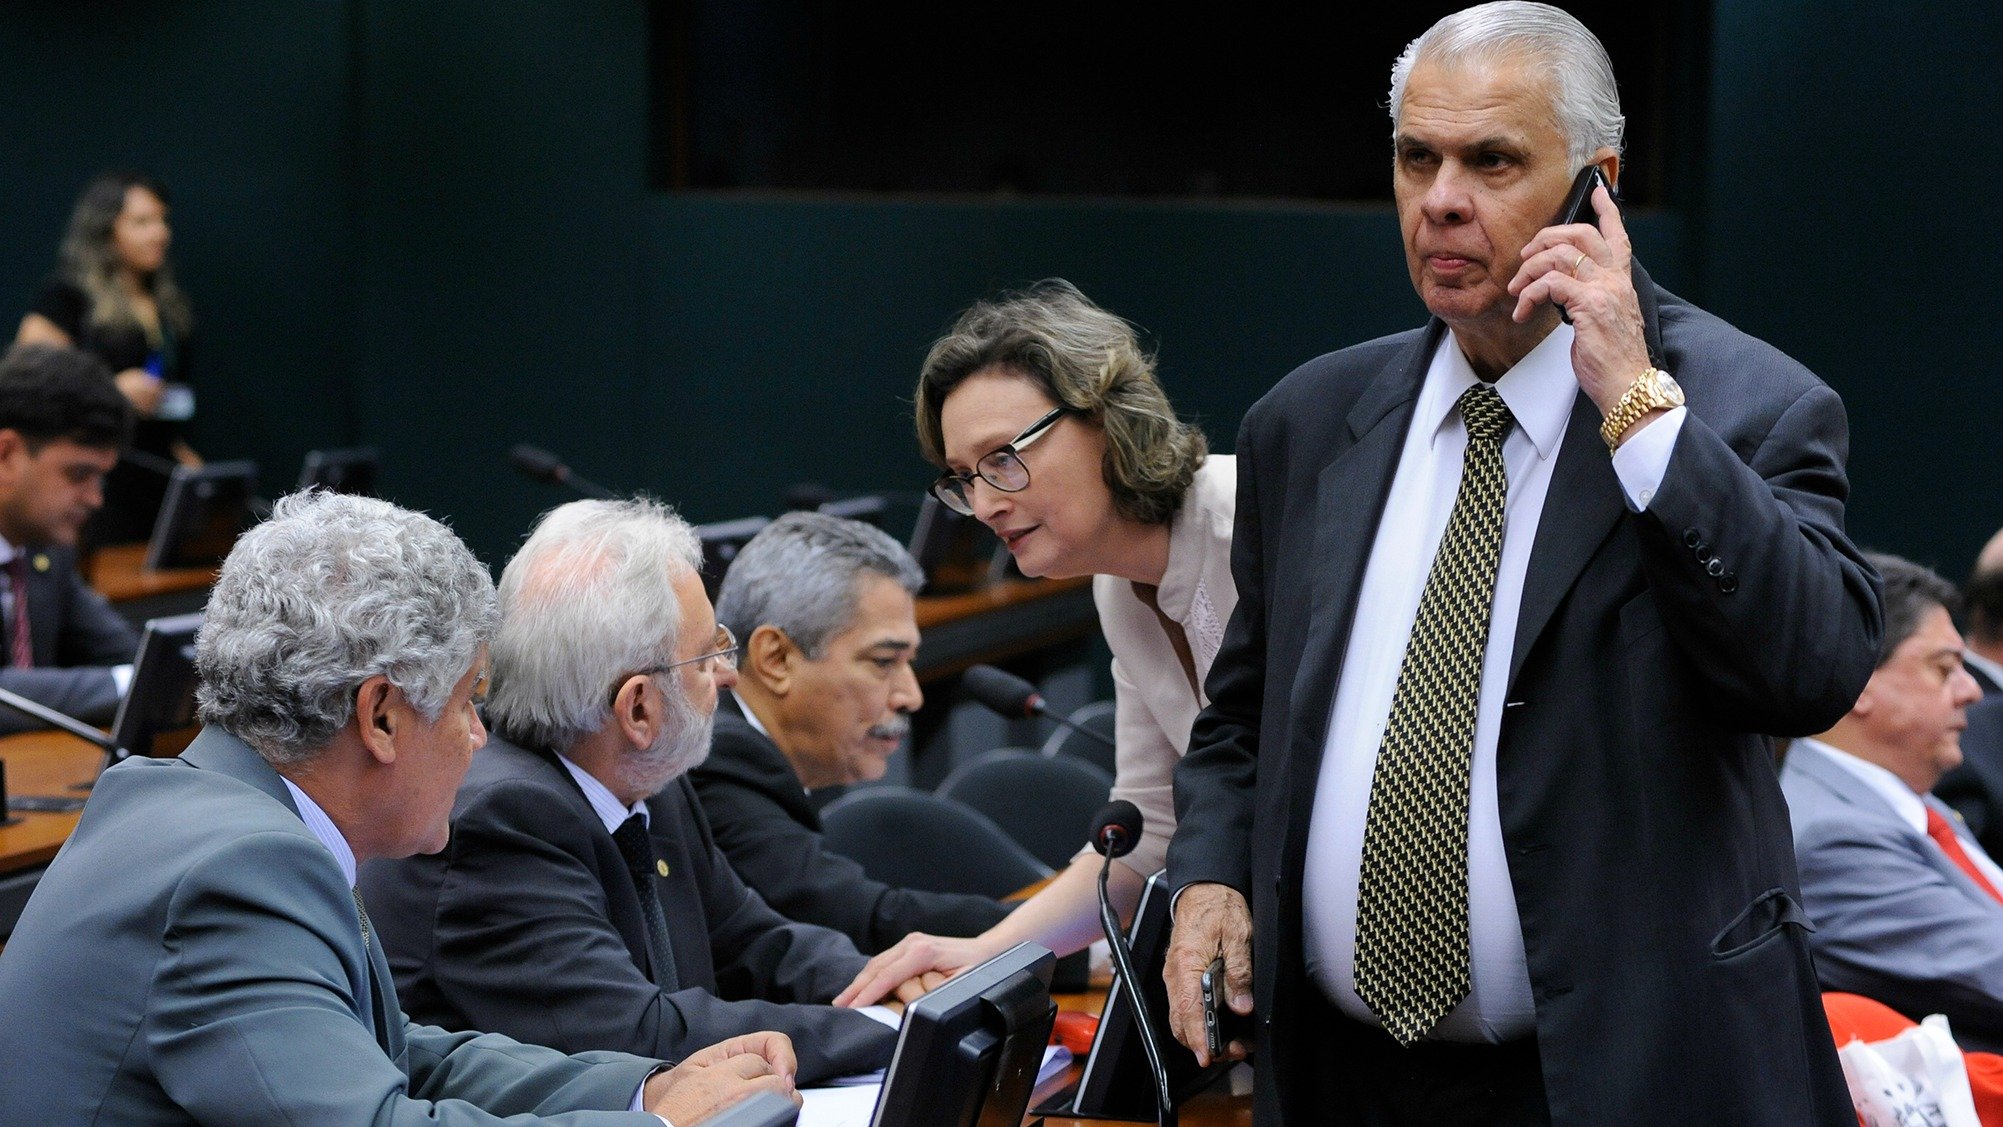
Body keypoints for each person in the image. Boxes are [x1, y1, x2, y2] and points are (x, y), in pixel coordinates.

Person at [1161, 4, 1882, 1124]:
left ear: (1592, 185)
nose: (1441, 197)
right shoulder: (1306, 420)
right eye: (1416, 157)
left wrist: (1640, 415)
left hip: (1624, 1077)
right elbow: (1243, 714)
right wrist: (1208, 872)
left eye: (1490, 160)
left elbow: (1811, 667)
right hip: (1345, 1079)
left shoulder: (1745, 407)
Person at [0, 490, 797, 1124]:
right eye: (466, 701)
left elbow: (398, 1050)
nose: (481, 737)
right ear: (380, 715)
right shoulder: (239, 868)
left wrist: (644, 1090)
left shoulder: (216, 812)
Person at [359, 498, 923, 1086]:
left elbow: (756, 940)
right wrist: (891, 1029)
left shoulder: (650, 782)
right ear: (637, 707)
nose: (729, 676)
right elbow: (641, 1035)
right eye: (709, 656)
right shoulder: (500, 820)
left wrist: (887, 984)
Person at [837, 278, 1233, 1007]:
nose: (984, 502)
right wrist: (986, 954)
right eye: (962, 478)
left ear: (1108, 416)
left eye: (1002, 456)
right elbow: (1146, 835)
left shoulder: (1253, 524)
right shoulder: (1117, 586)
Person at [689, 510, 1012, 953]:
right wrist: (1072, 936)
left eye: (909, 662)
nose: (910, 696)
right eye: (883, 662)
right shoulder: (719, 756)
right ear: (776, 659)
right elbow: (856, 919)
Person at [1782, 554, 2003, 1051]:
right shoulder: (1831, 841)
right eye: (1943, 668)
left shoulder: (1914, 807)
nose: (1971, 690)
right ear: (1856, 680)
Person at [16, 171, 201, 543]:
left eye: (162, 220)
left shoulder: (163, 304)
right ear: (105, 231)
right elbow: (26, 389)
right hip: (98, 478)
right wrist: (110, 390)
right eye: (142, 222)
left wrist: (184, 460)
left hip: (156, 477)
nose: (160, 233)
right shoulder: (68, 296)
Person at [0, 343, 140, 732]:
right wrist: (129, 683)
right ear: (6, 454)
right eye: (78, 475)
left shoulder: (46, 551)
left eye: (102, 478)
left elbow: (127, 651)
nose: (95, 499)